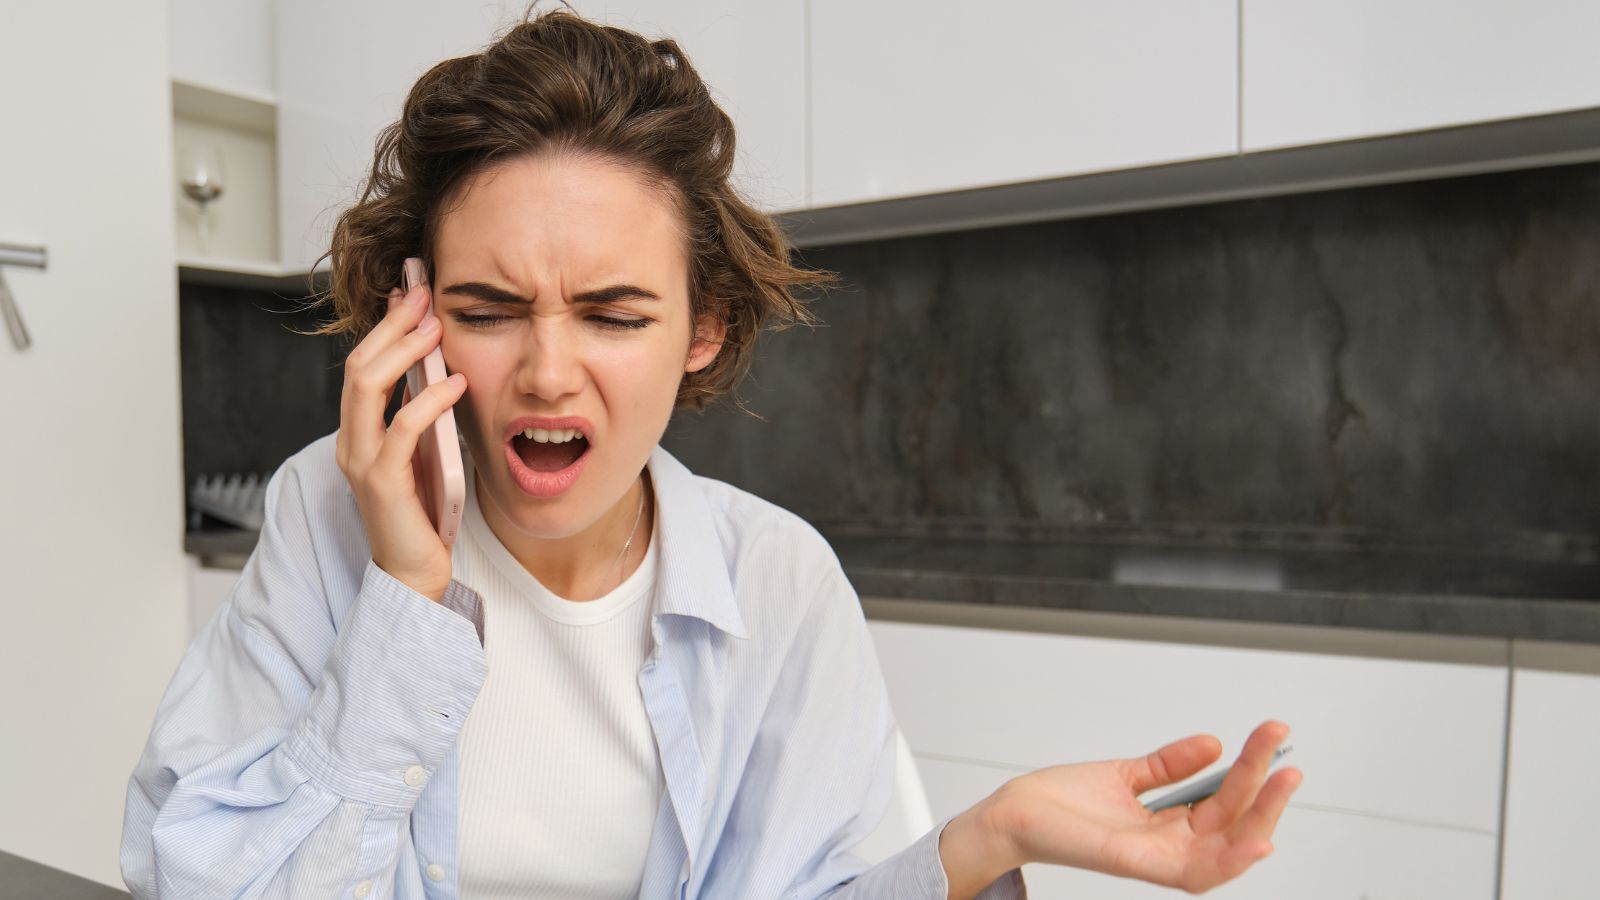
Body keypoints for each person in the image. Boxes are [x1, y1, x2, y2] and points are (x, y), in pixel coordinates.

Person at [121, 8, 1301, 899]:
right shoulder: (328, 518)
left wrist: (981, 839)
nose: (545, 371)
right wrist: (403, 601)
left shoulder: (776, 583)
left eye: (614, 314)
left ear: (705, 329)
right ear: (412, 316)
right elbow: (194, 877)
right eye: (485, 310)